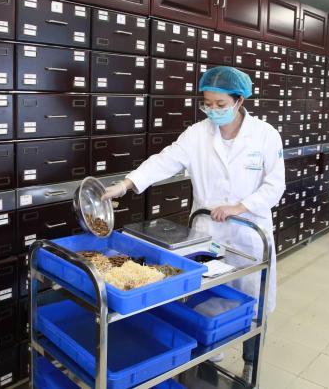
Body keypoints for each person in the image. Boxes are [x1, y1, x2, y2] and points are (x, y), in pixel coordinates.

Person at [102, 66, 285, 380]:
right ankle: (207, 357)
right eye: (207, 104)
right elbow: (164, 161)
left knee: (252, 302)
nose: (213, 110)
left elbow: (275, 185)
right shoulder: (197, 134)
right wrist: (126, 184)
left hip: (249, 234)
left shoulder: (265, 135)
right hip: (208, 233)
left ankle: (250, 362)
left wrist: (240, 206)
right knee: (207, 296)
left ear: (239, 101)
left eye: (220, 104)